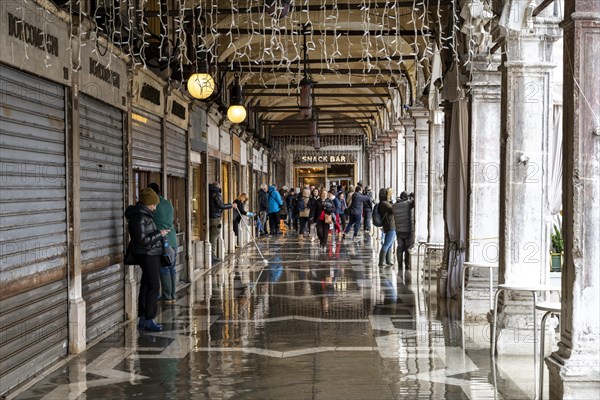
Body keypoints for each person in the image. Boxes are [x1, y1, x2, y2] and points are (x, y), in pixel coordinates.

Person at [125, 188, 171, 331]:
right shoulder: (139, 217)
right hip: (147, 254)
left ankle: (143, 318)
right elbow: (142, 240)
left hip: (151, 254)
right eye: (154, 204)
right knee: (153, 286)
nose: (155, 207)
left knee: (146, 285)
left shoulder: (144, 215)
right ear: (147, 203)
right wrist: (160, 233)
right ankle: (149, 319)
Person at [148, 183, 177, 304]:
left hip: (162, 240)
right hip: (172, 238)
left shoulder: (155, 206)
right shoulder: (168, 203)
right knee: (172, 268)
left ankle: (166, 296)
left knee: (164, 268)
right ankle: (172, 295)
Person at [209, 182, 236, 264]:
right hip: (215, 217)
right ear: (218, 186)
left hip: (209, 217)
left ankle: (210, 255)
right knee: (214, 236)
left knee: (211, 236)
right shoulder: (216, 193)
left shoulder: (208, 192)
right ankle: (211, 256)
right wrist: (231, 205)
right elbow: (221, 205)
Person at [393, 191, 415, 270]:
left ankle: (399, 265)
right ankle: (407, 265)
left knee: (400, 247)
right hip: (408, 230)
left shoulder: (394, 206)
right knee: (407, 248)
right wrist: (412, 194)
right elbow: (415, 201)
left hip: (399, 231)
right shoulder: (408, 204)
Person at [377, 187, 396, 268]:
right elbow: (393, 209)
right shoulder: (384, 203)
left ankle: (388, 260)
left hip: (390, 224)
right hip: (389, 225)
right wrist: (394, 202)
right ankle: (381, 261)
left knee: (390, 243)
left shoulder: (384, 203)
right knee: (387, 243)